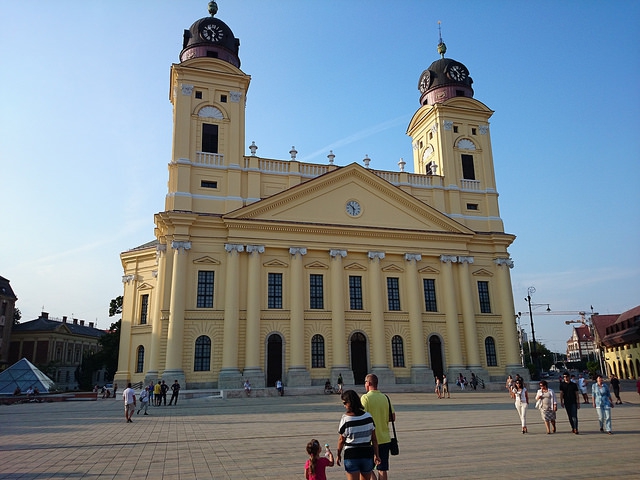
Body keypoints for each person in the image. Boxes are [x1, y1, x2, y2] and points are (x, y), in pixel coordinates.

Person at [337, 389, 380, 480]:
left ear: (350, 403)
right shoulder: (368, 417)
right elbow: (374, 439)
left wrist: (338, 454)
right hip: (367, 454)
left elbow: (341, 440)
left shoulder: (346, 419)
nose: (344, 406)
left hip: (352, 455)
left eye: (345, 403)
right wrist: (376, 454)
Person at [361, 373, 395, 480]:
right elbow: (392, 417)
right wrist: (381, 417)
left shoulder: (365, 398)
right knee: (382, 468)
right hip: (385, 438)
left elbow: (362, 417)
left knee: (367, 468)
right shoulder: (385, 398)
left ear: (369, 383)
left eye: (365, 382)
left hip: (370, 440)